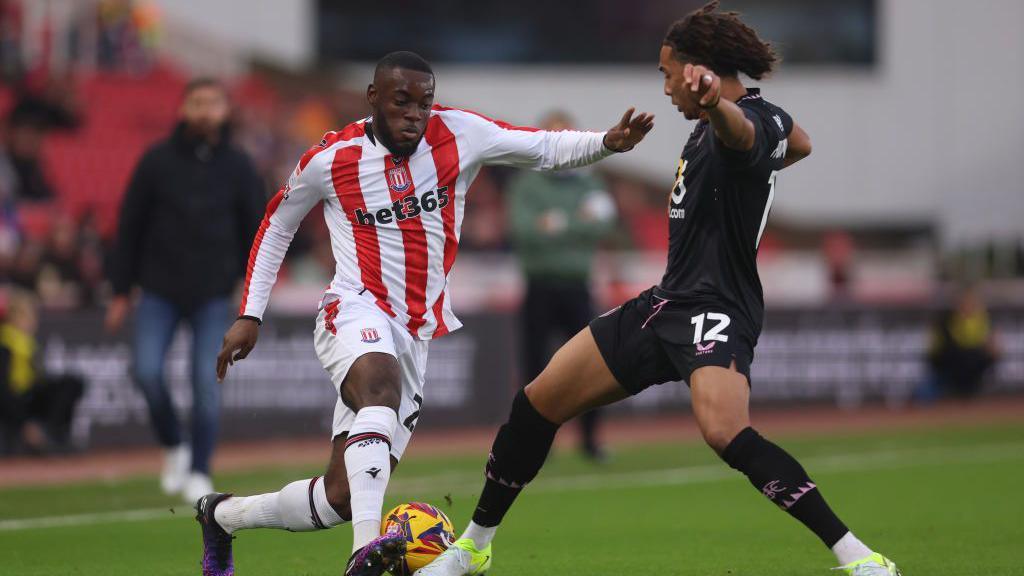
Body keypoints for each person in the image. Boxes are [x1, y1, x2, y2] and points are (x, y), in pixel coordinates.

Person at [417, 4, 901, 576]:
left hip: (718, 306)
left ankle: (860, 558)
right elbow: (801, 143)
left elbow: (745, 135)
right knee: (536, 403)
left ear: (700, 70)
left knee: (724, 431)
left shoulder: (743, 119)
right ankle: (473, 548)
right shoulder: (732, 124)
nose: (665, 85)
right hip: (665, 303)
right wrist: (726, 120)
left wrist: (717, 105)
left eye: (668, 72)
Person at [197, 51, 653, 576]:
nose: (416, 113)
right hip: (353, 306)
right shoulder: (331, 159)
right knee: (379, 392)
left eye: (424, 102)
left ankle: (223, 516)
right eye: (402, 101)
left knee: (341, 497)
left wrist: (607, 143)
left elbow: (542, 147)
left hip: (416, 332)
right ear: (374, 99)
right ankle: (363, 555)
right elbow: (277, 224)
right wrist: (250, 312)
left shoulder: (460, 134)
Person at [106, 78, 264, 503]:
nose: (205, 111)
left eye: (214, 103)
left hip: (213, 295)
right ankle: (174, 443)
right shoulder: (155, 161)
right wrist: (120, 290)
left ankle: (199, 469)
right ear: (183, 110)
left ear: (226, 111)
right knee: (146, 372)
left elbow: (260, 231)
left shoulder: (239, 166)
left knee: (205, 384)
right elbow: (129, 226)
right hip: (158, 290)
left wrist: (254, 293)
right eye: (197, 102)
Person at [506, 110, 616, 461]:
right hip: (539, 286)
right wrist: (577, 223)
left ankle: (590, 440)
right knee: (534, 369)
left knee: (590, 367)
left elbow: (602, 225)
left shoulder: (589, 182)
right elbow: (526, 231)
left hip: (577, 285)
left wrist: (555, 224)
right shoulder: (527, 183)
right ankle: (534, 443)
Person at [0, 289, 84, 455]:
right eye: (29, 315)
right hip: (13, 402)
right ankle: (36, 435)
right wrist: (23, 424)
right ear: (15, 317)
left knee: (70, 383)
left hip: (26, 396)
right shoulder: (6, 344)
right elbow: (4, 390)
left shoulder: (25, 342)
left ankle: (54, 433)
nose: (34, 320)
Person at [923, 285, 999, 400]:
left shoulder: (985, 319)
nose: (968, 305)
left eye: (971, 301)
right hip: (952, 362)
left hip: (974, 363)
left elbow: (993, 345)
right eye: (964, 301)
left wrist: (992, 347)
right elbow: (934, 348)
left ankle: (974, 391)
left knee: (976, 357)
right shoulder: (945, 320)